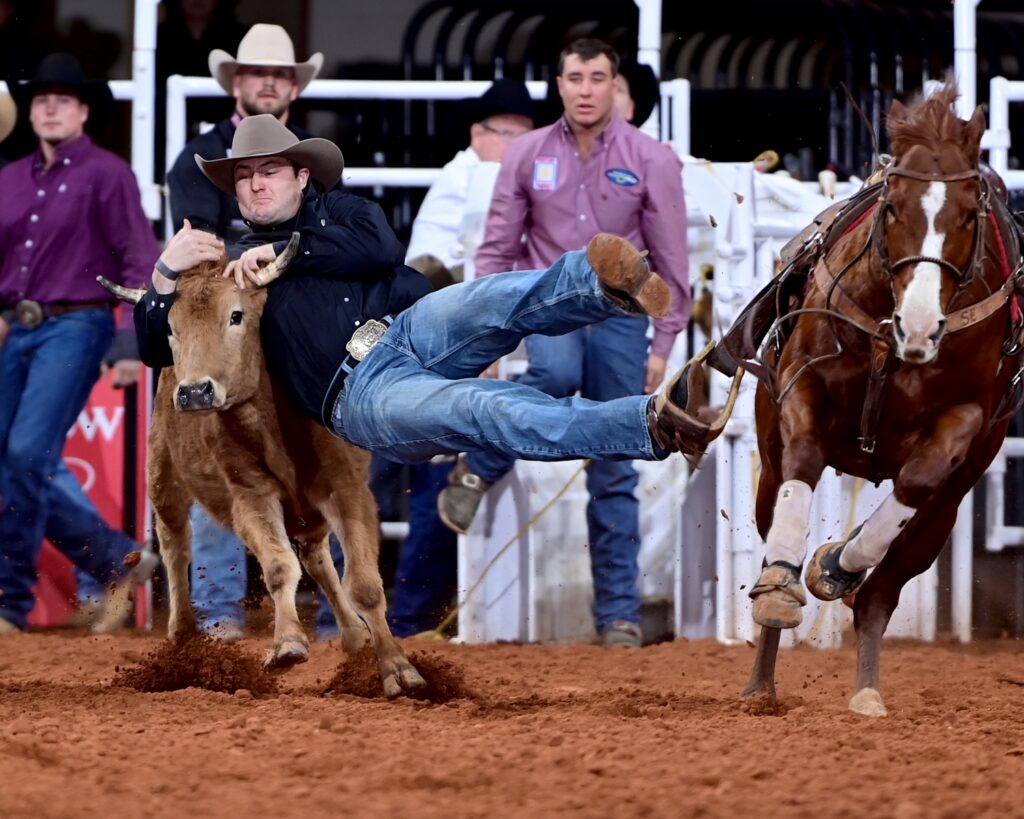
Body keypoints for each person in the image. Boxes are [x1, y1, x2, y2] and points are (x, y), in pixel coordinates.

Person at [133, 118, 712, 646]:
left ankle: (600, 282)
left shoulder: (344, 215)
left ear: (301, 176)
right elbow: (161, 344)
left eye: (270, 171)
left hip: (407, 329)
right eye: (246, 176)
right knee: (485, 408)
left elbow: (379, 246)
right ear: (235, 189)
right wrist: (165, 272)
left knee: (489, 298)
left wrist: (288, 251)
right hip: (357, 393)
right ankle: (648, 424)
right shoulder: (228, 272)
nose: (258, 185)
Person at [435, 39, 691, 648]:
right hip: (549, 305)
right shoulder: (525, 154)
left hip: (623, 318)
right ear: (559, 83)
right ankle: (484, 466)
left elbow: (672, 256)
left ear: (613, 85)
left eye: (597, 77)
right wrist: (485, 334)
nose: (584, 89)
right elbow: (497, 248)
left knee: (615, 457)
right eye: (574, 76)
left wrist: (664, 341)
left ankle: (619, 616)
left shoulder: (650, 157)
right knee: (552, 374)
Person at [165, 22, 333, 640]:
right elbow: (201, 255)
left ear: (292, 86)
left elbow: (327, 239)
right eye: (259, 72)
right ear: (237, 82)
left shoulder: (299, 156)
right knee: (225, 448)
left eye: (280, 74)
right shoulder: (206, 158)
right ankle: (219, 615)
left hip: (289, 320)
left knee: (320, 452)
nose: (269, 81)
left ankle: (337, 614)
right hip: (233, 320)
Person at [0, 53, 159, 634]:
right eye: (41, 99)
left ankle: (9, 604)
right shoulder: (10, 178)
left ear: (83, 111)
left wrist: (125, 342)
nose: (49, 108)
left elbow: (138, 259)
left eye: (62, 99)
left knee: (23, 455)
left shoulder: (107, 173)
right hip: (17, 325)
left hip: (79, 323)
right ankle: (118, 560)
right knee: (14, 461)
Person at [390, 79, 534, 638]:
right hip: (449, 352)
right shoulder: (461, 183)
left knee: (434, 484)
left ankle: (411, 615)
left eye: (526, 135)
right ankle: (406, 618)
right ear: (479, 134)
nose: (518, 143)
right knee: (431, 485)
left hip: (476, 348)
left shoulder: (487, 181)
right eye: (507, 133)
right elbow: (432, 273)